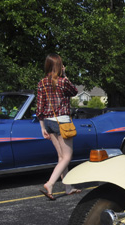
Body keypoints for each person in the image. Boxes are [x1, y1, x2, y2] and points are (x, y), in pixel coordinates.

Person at [36, 53, 80, 200]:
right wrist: (65, 75)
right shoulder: (62, 81)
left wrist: (42, 127)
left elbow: (39, 108)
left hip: (48, 122)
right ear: (59, 66)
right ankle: (50, 183)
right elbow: (74, 91)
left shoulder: (41, 83)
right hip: (62, 121)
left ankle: (68, 187)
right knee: (67, 157)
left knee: (61, 157)